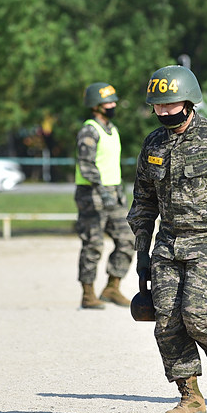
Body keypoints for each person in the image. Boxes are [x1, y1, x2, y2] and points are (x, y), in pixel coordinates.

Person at [127, 65, 207, 413]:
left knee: (197, 316)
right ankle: (191, 397)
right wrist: (141, 252)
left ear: (189, 101)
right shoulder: (152, 144)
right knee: (166, 322)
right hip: (167, 245)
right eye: (159, 106)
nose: (165, 112)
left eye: (172, 105)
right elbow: (143, 203)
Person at [75, 82, 134, 309]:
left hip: (114, 195)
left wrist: (118, 194)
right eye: (108, 102)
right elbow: (86, 165)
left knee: (127, 240)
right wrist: (101, 190)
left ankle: (112, 286)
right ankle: (88, 294)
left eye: (113, 101)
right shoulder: (89, 130)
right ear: (95, 106)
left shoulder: (112, 129)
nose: (113, 105)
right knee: (93, 244)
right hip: (92, 194)